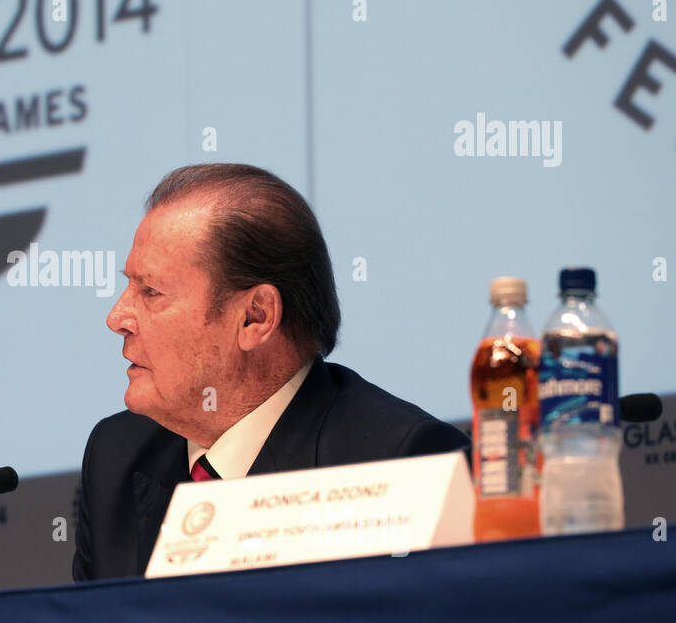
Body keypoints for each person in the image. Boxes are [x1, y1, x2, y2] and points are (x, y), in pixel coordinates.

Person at [73, 164, 469, 581]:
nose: (116, 317)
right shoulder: (116, 456)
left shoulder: (402, 463)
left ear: (255, 317)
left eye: (150, 291)